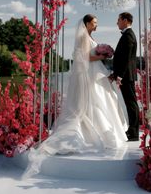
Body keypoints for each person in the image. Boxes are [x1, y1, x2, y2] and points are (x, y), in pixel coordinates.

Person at [23, 14, 127, 178]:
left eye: (97, 22)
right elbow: (83, 57)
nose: (96, 25)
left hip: (94, 73)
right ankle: (86, 135)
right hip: (88, 76)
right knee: (93, 104)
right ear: (86, 23)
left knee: (102, 101)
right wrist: (101, 56)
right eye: (94, 23)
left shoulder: (89, 36)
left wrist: (102, 54)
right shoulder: (82, 37)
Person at [110, 12, 139, 141]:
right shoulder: (127, 35)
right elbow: (121, 58)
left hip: (127, 76)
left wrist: (120, 76)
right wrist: (115, 74)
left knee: (131, 104)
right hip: (125, 76)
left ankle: (133, 133)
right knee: (129, 104)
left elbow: (126, 59)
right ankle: (132, 131)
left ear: (125, 20)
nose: (117, 22)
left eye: (119, 20)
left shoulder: (128, 36)